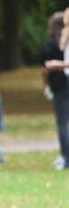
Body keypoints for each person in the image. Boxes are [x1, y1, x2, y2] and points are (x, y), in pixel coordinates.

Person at [42, 10, 69, 170]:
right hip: (63, 81)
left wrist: (57, 65)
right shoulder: (64, 37)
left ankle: (66, 157)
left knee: (63, 123)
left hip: (61, 84)